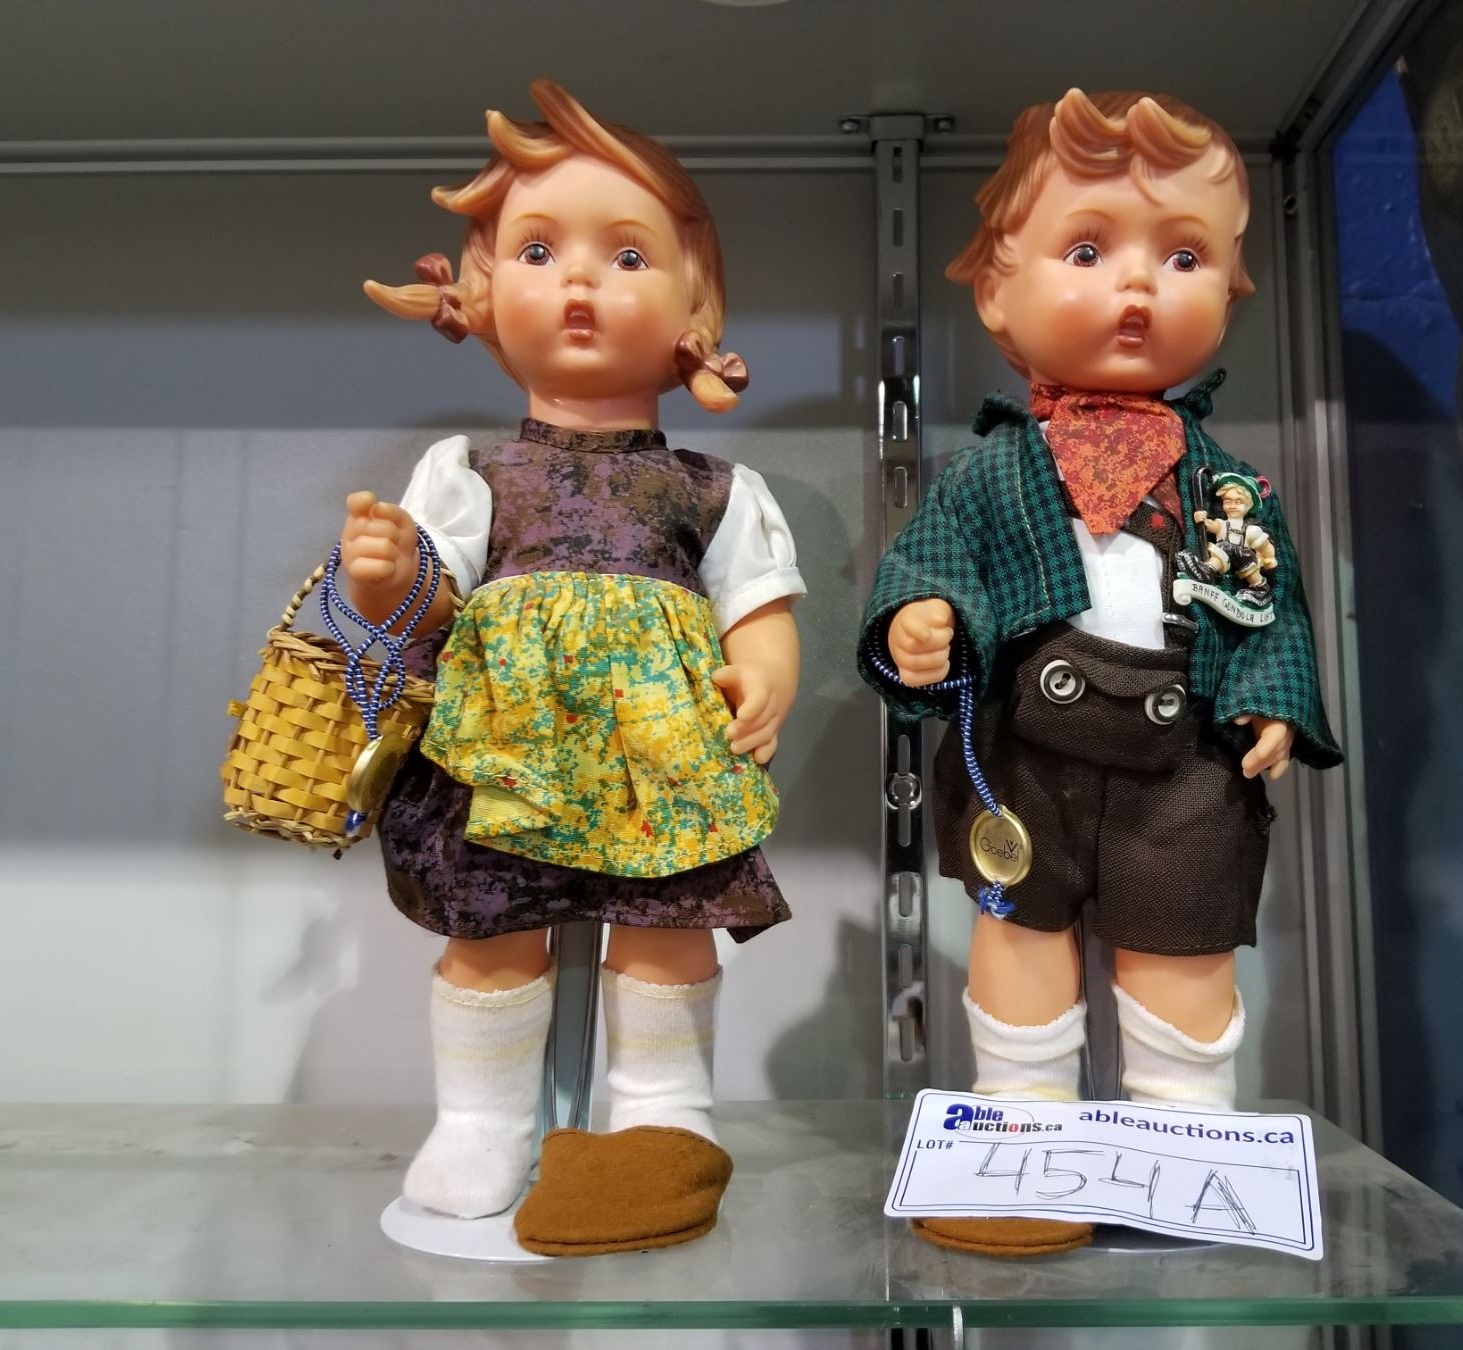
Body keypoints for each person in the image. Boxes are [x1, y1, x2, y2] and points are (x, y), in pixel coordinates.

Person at [857, 88, 1341, 1258]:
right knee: (1019, 934)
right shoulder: (991, 472)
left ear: (1231, 289)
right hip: (1028, 755)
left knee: (1184, 942)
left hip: (1187, 766)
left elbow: (1269, 605)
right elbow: (930, 564)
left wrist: (1271, 697)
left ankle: (1184, 1144)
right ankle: (1026, 1136)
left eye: (1183, 257)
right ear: (997, 294)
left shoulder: (1228, 484)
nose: (1137, 285)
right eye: (1088, 251)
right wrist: (922, 620)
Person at [341, 81, 803, 1255]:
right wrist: (386, 580)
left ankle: (661, 1114)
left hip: (664, 751)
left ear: (696, 307)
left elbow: (757, 603)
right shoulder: (468, 471)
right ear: (485, 291)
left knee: (668, 923)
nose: (582, 282)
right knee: (491, 929)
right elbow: (430, 604)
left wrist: (763, 673)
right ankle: (482, 1120)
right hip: (504, 748)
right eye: (539, 251)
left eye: (628, 255)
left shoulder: (716, 489)